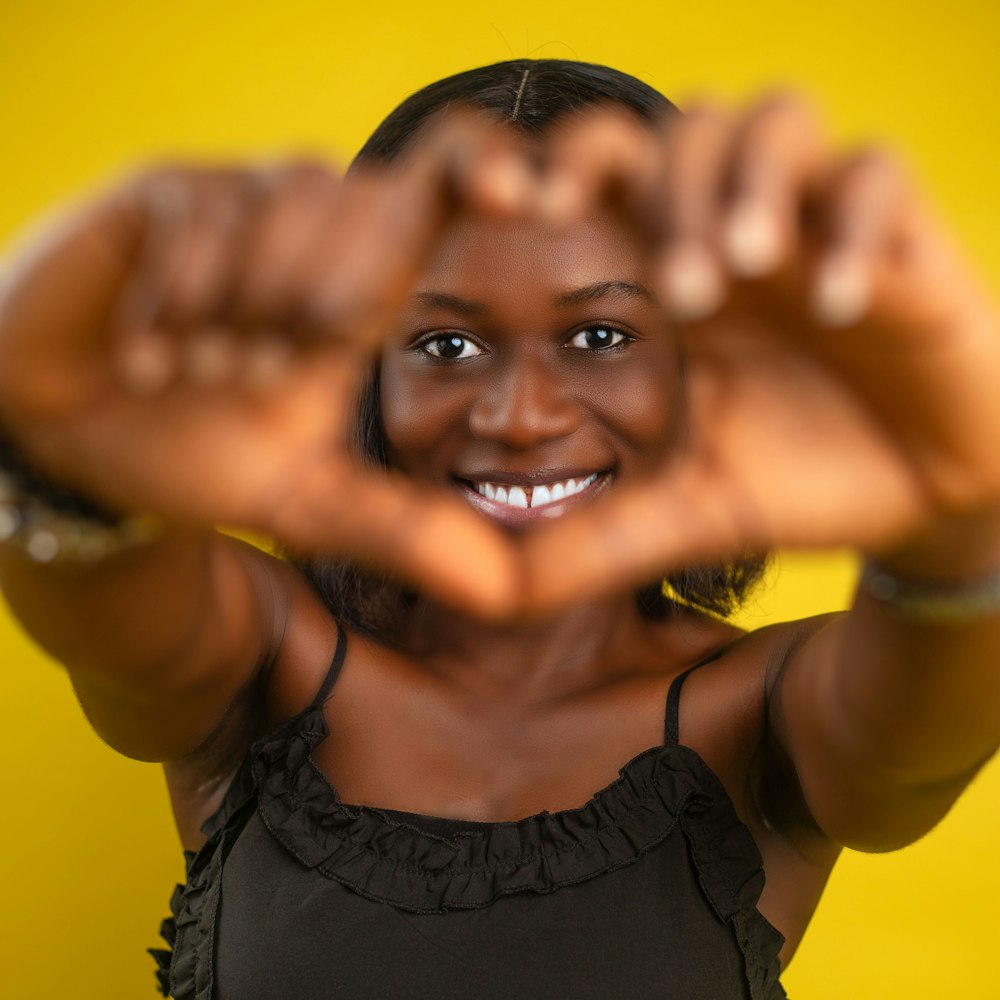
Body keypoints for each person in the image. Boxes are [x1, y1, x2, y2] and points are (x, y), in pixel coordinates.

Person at [0, 58, 998, 999]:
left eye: (599, 336)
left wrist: (961, 502)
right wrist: (52, 413)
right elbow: (94, 572)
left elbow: (912, 733)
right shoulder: (257, 646)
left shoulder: (768, 707)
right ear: (367, 367)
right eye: (446, 341)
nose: (518, 414)